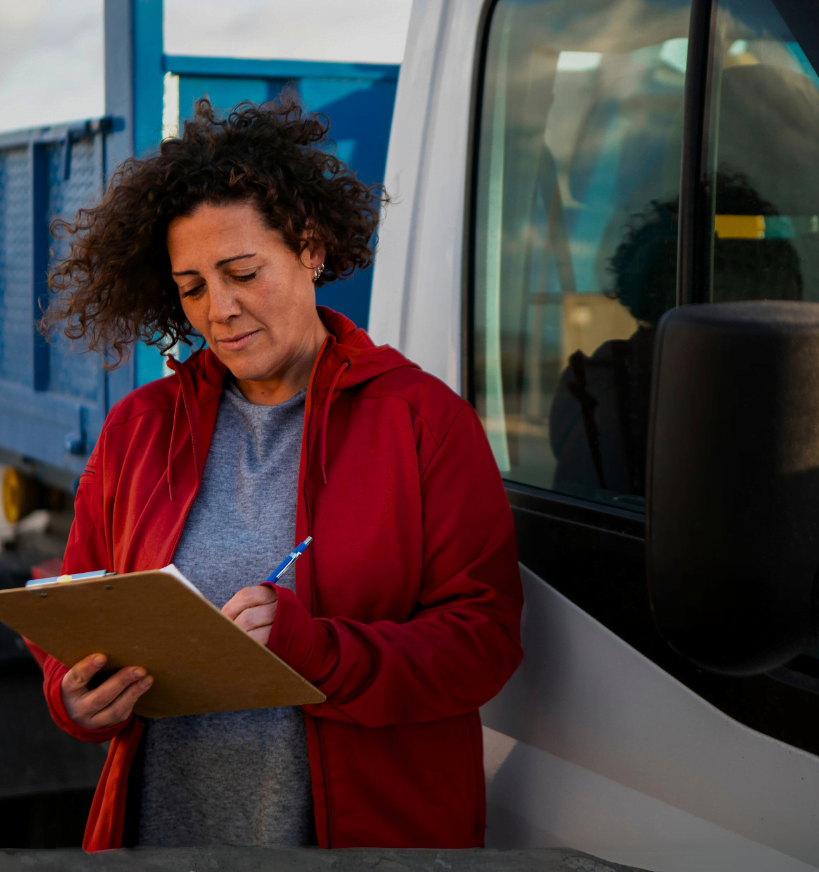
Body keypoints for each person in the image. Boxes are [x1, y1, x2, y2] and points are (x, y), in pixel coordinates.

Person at [31, 97, 524, 851]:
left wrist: (318, 649)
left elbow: (481, 643)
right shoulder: (137, 429)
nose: (219, 309)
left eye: (241, 272)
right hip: (165, 837)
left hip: (363, 844)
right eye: (192, 287)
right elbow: (78, 616)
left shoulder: (422, 421)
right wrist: (75, 697)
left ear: (310, 247)